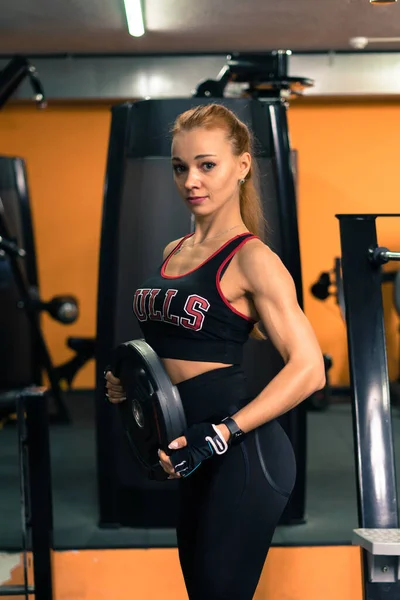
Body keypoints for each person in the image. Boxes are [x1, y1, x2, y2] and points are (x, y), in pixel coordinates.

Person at [105, 103, 325, 599]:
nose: (191, 180)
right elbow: (171, 348)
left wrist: (223, 434)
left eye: (207, 164)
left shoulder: (253, 259)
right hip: (193, 449)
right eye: (180, 167)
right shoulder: (173, 250)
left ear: (241, 166)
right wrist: (132, 382)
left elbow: (310, 370)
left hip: (243, 454)